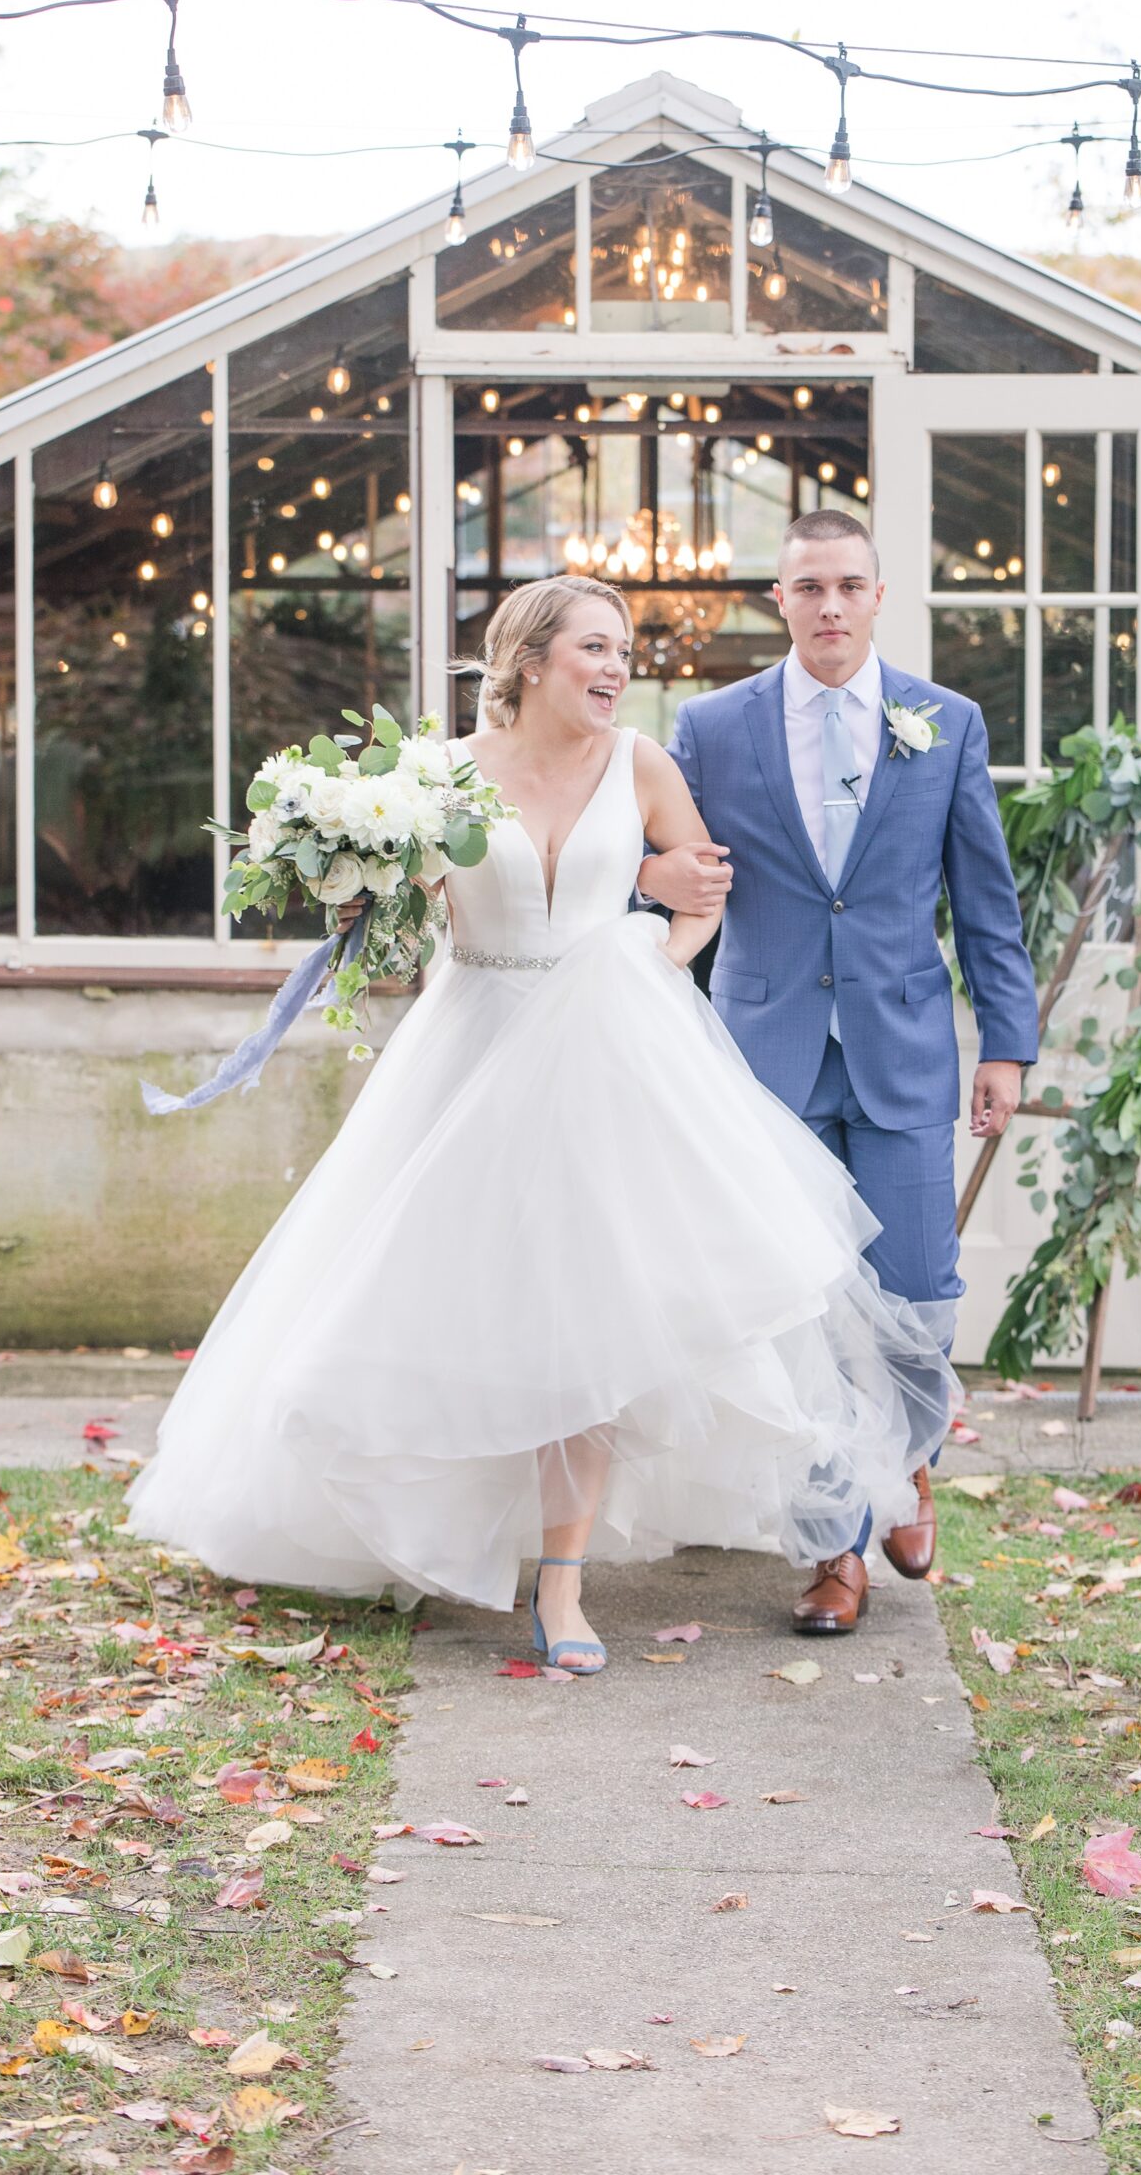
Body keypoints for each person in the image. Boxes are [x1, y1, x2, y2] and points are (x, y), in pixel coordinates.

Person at [123, 575, 956, 1673]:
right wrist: (364, 892)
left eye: (623, 651)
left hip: (607, 1057)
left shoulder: (643, 764)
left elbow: (704, 888)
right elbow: (413, 938)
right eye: (595, 650)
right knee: (432, 1299)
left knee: (598, 1316)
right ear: (528, 662)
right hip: (470, 1044)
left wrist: (645, 967)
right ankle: (421, 1519)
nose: (616, 669)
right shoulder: (443, 779)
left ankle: (561, 1587)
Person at [641, 511, 1038, 1636]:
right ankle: (832, 1553)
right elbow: (672, 874)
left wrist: (1005, 1045)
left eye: (848, 584)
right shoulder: (711, 727)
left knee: (916, 1289)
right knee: (802, 1311)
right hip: (762, 1062)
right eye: (807, 585)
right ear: (779, 598)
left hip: (905, 1054)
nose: (828, 605)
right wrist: (649, 877)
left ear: (878, 594)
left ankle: (906, 1467)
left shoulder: (945, 724)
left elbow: (987, 905)